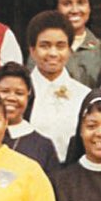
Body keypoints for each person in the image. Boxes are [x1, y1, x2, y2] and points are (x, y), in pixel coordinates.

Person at [23, 10, 88, 154]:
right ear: (32, 50)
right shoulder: (20, 93)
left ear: (70, 50)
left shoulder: (84, 95)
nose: (53, 53)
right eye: (45, 46)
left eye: (60, 46)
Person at [0, 62, 58, 172]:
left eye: (19, 93)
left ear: (28, 96)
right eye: (5, 91)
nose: (11, 98)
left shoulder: (43, 146)